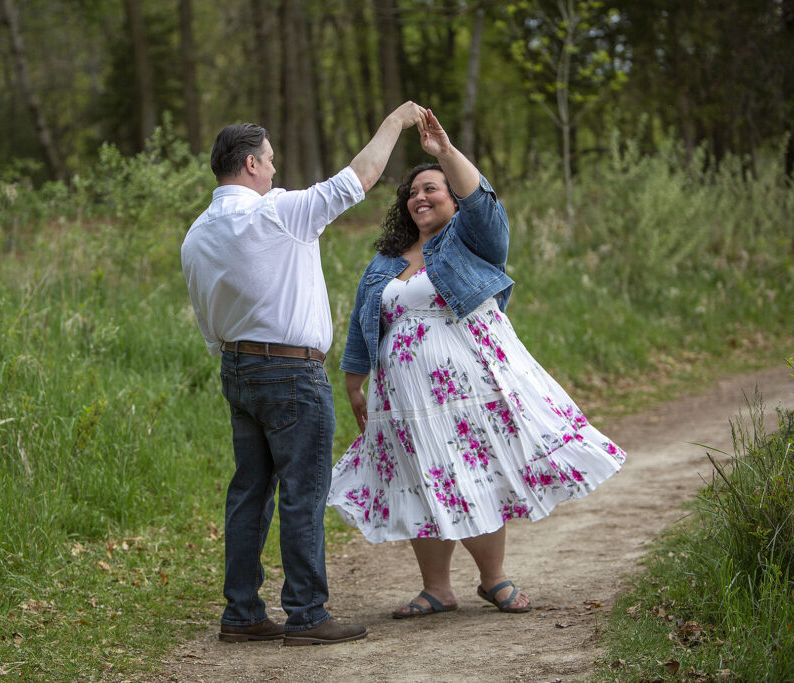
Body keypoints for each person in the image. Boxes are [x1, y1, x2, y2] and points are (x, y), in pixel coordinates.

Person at [327, 109, 626, 618]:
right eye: (412, 193)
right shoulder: (385, 261)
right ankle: (437, 589)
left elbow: (482, 201)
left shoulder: (472, 239)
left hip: (469, 387)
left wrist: (442, 151)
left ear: (451, 196)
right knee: (423, 477)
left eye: (432, 189)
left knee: (474, 470)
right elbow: (362, 322)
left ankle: (494, 580)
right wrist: (356, 385)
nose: (420, 197)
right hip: (403, 396)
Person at [181, 101, 427, 645]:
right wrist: (395, 121)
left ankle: (242, 613)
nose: (275, 170)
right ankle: (307, 614)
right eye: (269, 161)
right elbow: (358, 179)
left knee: (249, 491)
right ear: (249, 165)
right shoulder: (278, 212)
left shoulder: (196, 233)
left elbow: (203, 311)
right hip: (291, 374)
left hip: (236, 368)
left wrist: (232, 352)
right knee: (302, 491)